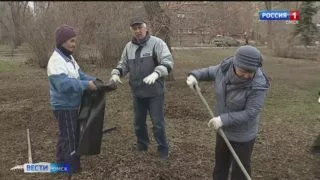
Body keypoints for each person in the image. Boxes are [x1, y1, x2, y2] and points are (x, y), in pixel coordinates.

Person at [186, 45, 270, 180]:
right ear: (235, 65)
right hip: (223, 131)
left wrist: (223, 120)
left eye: (251, 72)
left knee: (239, 173)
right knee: (220, 167)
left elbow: (251, 112)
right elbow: (209, 72)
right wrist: (195, 75)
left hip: (243, 136)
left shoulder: (258, 84)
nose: (247, 75)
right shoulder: (225, 68)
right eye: (244, 71)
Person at [110, 17, 174, 160]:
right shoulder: (129, 47)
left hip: (154, 92)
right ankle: (142, 144)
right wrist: (116, 73)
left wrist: (157, 73)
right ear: (132, 30)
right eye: (135, 28)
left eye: (140, 27)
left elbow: (168, 62)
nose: (138, 31)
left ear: (146, 28)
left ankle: (163, 149)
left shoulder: (157, 43)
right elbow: (123, 64)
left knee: (157, 123)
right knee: (138, 122)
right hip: (137, 91)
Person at [47, 24, 97, 174]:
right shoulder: (56, 61)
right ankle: (71, 169)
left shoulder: (69, 58)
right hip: (64, 107)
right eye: (71, 41)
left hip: (71, 105)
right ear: (62, 41)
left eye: (75, 41)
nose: (74, 44)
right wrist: (86, 85)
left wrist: (96, 81)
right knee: (71, 138)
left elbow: (80, 75)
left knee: (65, 135)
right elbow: (64, 85)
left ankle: (60, 164)